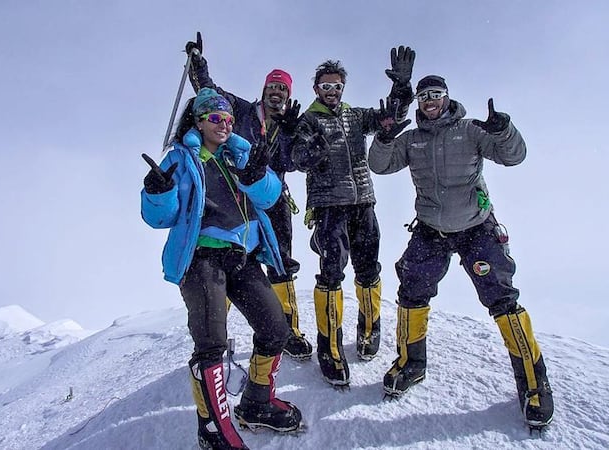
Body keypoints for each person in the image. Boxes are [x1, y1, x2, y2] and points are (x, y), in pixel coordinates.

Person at [367, 74, 555, 429]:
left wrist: (504, 131)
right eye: (424, 96)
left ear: (447, 98)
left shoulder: (470, 130)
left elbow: (513, 156)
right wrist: (384, 136)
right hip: (430, 230)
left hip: (476, 228)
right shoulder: (412, 139)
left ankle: (534, 383)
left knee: (502, 300)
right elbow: (380, 164)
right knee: (410, 293)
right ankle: (411, 364)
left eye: (435, 94)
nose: (429, 101)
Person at [141, 87, 303, 449]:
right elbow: (160, 217)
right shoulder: (181, 159)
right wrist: (157, 191)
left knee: (275, 329)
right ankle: (213, 429)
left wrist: (258, 173)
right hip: (201, 260)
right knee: (211, 344)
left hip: (240, 257)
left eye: (228, 119)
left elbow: (269, 196)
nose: (224, 124)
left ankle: (257, 404)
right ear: (199, 121)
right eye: (215, 118)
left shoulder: (239, 155)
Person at [184, 32, 313, 361]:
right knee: (234, 256)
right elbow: (211, 95)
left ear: (288, 95)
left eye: (283, 88)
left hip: (272, 196)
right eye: (273, 86)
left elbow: (295, 162)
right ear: (264, 89)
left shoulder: (288, 124)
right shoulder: (240, 110)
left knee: (281, 262)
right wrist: (199, 65)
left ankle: (288, 329)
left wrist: (294, 134)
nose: (277, 92)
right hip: (235, 193)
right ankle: (216, 330)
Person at [290, 49, 413, 387]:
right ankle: (329, 347)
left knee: (369, 268)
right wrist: (309, 153)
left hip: (363, 203)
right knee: (331, 273)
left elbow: (390, 117)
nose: (332, 91)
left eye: (337, 86)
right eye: (326, 86)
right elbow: (297, 156)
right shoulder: (309, 120)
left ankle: (369, 330)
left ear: (343, 88)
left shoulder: (354, 116)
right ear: (316, 89)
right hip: (330, 207)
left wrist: (401, 88)